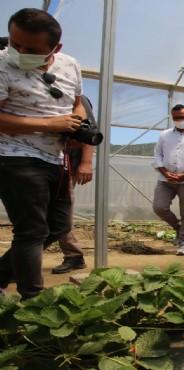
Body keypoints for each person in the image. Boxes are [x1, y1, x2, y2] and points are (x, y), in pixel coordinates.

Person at [0, 8, 86, 299]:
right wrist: (49, 124)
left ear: (55, 48)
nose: (20, 51)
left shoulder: (70, 65)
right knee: (31, 230)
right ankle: (33, 301)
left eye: (31, 49)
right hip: (14, 155)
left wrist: (75, 127)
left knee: (57, 226)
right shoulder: (1, 65)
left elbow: (78, 103)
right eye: (15, 43)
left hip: (57, 157)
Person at [152, 104, 184, 256]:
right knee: (159, 207)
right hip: (165, 180)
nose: (179, 120)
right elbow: (157, 154)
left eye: (183, 117)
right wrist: (164, 172)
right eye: (176, 118)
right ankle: (178, 227)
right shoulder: (164, 134)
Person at [51, 146, 93, 274]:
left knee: (58, 213)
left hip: (64, 165)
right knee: (47, 213)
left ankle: (74, 255)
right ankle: (74, 255)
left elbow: (88, 134)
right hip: (38, 163)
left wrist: (86, 162)